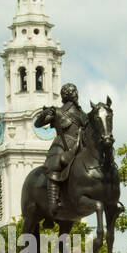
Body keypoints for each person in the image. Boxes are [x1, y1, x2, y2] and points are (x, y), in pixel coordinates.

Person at [41, 83, 89, 214]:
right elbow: (38, 123)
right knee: (55, 166)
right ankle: (52, 202)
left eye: (75, 92)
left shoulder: (83, 114)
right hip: (62, 144)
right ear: (66, 95)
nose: (75, 95)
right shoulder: (58, 111)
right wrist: (45, 113)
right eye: (72, 92)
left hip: (79, 145)